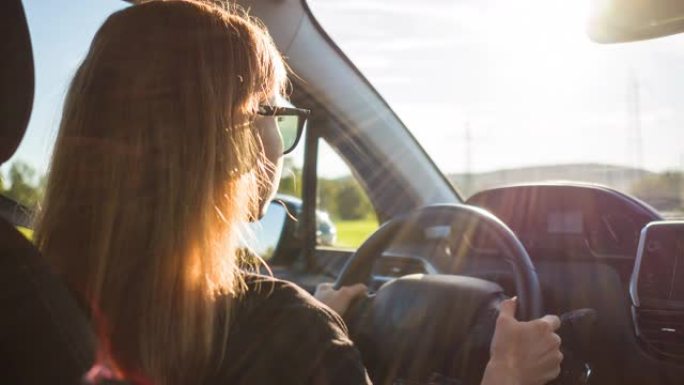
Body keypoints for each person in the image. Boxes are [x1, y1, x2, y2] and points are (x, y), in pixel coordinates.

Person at [34, 1, 563, 385]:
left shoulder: (28, 304)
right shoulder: (287, 337)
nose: (280, 140)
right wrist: (507, 375)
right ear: (229, 136)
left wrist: (318, 313)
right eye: (274, 110)